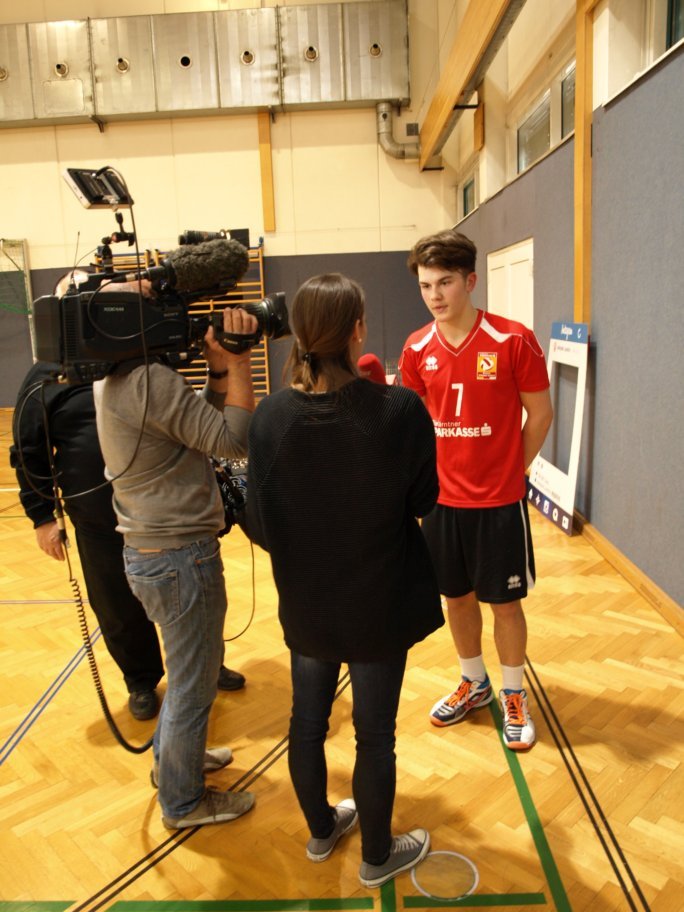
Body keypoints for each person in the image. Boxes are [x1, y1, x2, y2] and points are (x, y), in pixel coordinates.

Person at [244, 273, 443, 888]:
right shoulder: (398, 410)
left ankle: (321, 831)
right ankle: (378, 856)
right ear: (358, 329)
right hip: (377, 603)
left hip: (309, 604)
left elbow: (259, 520)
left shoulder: (270, 416)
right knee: (374, 735)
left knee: (306, 723)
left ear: (299, 334)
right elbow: (424, 500)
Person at [93, 293, 258, 829]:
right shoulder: (151, 380)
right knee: (195, 683)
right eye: (154, 305)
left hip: (151, 551)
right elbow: (234, 441)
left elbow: (193, 430)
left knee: (187, 674)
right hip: (181, 555)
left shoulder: (114, 377)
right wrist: (240, 361)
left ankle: (175, 763)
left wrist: (216, 373)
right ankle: (184, 801)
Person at [399, 229, 553, 751]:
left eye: (444, 282)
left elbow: (540, 414)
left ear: (470, 281)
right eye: (425, 285)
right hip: (442, 504)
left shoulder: (513, 340)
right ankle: (474, 681)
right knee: (456, 598)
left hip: (498, 503)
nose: (435, 295)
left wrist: (513, 471)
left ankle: (514, 694)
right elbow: (413, 424)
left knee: (505, 605)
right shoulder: (416, 348)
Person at [10, 360, 164, 721]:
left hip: (164, 508)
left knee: (190, 592)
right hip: (97, 519)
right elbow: (28, 450)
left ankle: (206, 666)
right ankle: (141, 679)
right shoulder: (48, 374)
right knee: (116, 604)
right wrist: (41, 516)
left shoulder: (141, 353)